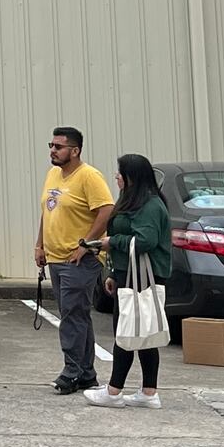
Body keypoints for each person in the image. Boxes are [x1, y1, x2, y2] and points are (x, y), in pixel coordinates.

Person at [82, 154, 172, 408]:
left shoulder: (151, 206)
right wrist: (112, 272)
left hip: (144, 276)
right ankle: (148, 392)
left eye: (120, 172)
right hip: (127, 273)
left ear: (131, 177)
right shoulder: (131, 201)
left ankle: (113, 391)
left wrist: (112, 243)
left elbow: (145, 241)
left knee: (128, 330)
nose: (116, 177)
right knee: (141, 332)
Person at [35, 126, 114, 394]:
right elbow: (47, 212)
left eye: (59, 147)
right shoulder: (53, 174)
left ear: (75, 150)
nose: (53, 151)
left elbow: (106, 210)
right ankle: (86, 374)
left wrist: (87, 244)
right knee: (77, 315)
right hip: (56, 257)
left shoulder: (89, 177)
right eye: (51, 146)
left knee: (71, 316)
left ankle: (71, 371)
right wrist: (40, 244)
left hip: (78, 259)